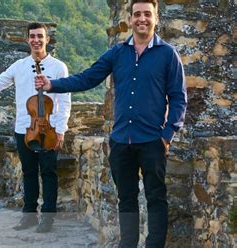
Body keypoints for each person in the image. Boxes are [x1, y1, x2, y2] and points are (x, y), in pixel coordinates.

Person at [34, 0, 187, 246]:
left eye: (147, 14)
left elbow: (179, 98)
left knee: (156, 198)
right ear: (130, 18)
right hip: (120, 141)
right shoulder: (117, 53)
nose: (142, 19)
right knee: (126, 198)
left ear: (156, 18)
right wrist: (53, 85)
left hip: (152, 141)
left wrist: (168, 134)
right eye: (137, 14)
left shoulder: (168, 54)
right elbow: (88, 78)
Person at [0, 22, 71, 233]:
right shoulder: (19, 66)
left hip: (50, 129)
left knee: (48, 172)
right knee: (28, 173)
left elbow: (64, 101)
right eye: (32, 36)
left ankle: (48, 218)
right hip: (24, 128)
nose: (36, 40)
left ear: (47, 40)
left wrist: (61, 129)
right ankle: (29, 216)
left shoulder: (58, 67)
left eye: (40, 36)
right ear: (27, 40)